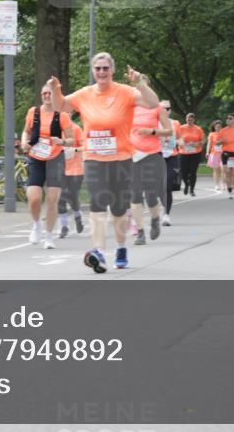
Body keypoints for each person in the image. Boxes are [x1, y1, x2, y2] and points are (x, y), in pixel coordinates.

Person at [48, 53, 160, 272]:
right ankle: (98, 251)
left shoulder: (125, 92)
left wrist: (139, 82)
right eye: (97, 68)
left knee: (119, 209)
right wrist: (55, 89)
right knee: (98, 202)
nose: (101, 72)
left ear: (112, 70)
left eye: (105, 68)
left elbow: (152, 102)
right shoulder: (85, 94)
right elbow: (60, 106)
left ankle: (121, 247)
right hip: (94, 158)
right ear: (93, 71)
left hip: (121, 158)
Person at [21, 84, 74, 250]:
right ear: (41, 95)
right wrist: (24, 142)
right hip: (36, 158)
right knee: (34, 198)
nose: (46, 96)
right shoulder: (33, 112)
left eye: (49, 93)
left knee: (52, 199)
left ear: (54, 95)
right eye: (44, 93)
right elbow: (26, 131)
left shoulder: (62, 115)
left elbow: (71, 139)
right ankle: (36, 224)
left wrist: (62, 141)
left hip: (55, 159)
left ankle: (49, 236)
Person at [129, 80, 172, 245]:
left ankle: (155, 218)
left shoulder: (157, 107)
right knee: (135, 195)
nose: (140, 90)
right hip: (132, 155)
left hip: (152, 155)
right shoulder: (128, 107)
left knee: (151, 195)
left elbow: (169, 131)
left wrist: (152, 131)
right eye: (137, 87)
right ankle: (140, 232)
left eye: (143, 87)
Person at [58, 118, 85, 237]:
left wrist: (74, 150)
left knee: (72, 196)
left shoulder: (76, 129)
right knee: (60, 197)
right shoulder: (54, 129)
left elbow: (85, 146)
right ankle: (64, 226)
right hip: (59, 168)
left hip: (75, 168)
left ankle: (78, 216)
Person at [159, 100, 182, 226]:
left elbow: (179, 138)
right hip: (158, 156)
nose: (166, 110)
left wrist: (180, 142)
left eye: (168, 108)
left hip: (172, 156)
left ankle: (166, 214)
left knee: (167, 184)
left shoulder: (175, 123)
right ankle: (163, 207)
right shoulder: (153, 123)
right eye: (164, 108)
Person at [178, 113, 205, 197]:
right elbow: (176, 139)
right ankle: (186, 184)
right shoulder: (181, 128)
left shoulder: (198, 129)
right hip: (183, 152)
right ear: (186, 119)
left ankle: (192, 189)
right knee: (183, 172)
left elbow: (203, 140)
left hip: (195, 153)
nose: (189, 121)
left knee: (193, 172)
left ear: (194, 120)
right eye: (188, 119)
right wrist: (181, 143)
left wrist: (197, 143)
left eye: (191, 119)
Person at [206, 120, 224, 191]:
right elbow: (209, 144)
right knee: (216, 170)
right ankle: (217, 184)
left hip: (223, 154)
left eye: (220, 126)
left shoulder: (224, 133)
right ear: (214, 127)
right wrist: (207, 152)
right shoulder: (211, 134)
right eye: (217, 127)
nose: (218, 128)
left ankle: (223, 184)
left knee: (223, 169)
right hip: (214, 154)